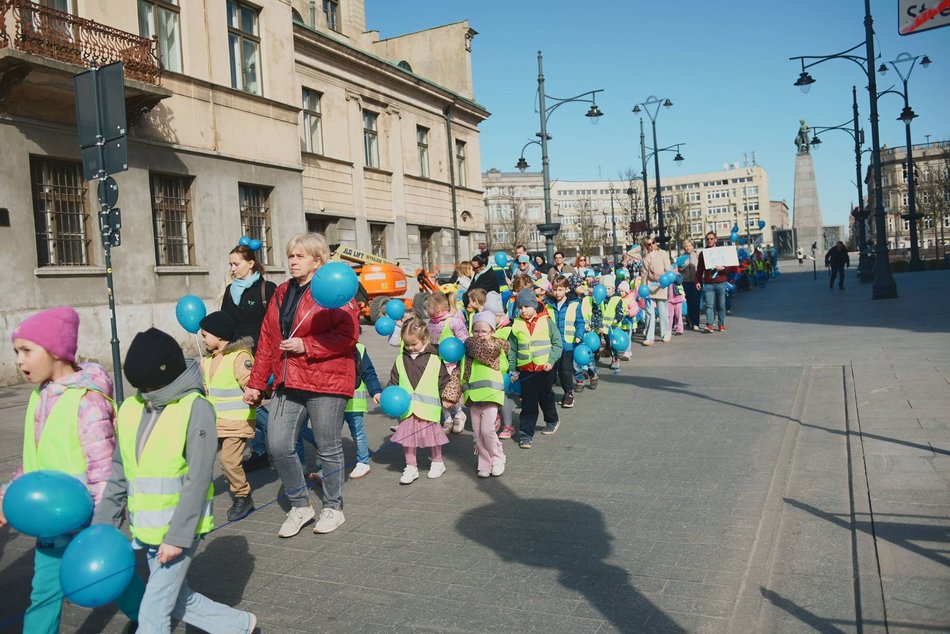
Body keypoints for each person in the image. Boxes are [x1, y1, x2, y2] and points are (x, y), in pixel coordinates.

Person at [95, 327, 255, 633]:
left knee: (153, 610)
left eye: (150, 385)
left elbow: (197, 478)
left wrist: (178, 537)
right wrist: (101, 527)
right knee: (178, 599)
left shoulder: (195, 408)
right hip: (147, 529)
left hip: (180, 530)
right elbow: (119, 471)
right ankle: (240, 625)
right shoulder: (130, 408)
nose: (146, 392)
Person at [3, 307, 145, 633]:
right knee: (44, 594)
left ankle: (151, 618)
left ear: (54, 351)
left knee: (115, 581)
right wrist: (8, 495)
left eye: (27, 351)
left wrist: (102, 523)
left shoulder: (86, 400)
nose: (19, 361)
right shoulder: (40, 396)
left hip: (86, 520)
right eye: (16, 352)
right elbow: (33, 462)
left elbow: (102, 467)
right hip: (50, 523)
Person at [244, 233, 359, 538]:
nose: (292, 261)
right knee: (278, 444)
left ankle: (333, 506)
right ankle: (300, 505)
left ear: (318, 260)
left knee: (327, 444)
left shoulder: (334, 288)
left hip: (326, 381)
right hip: (288, 380)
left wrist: (306, 345)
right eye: (291, 255)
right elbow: (268, 339)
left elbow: (348, 335)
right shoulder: (281, 292)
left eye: (300, 256)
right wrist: (256, 383)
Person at [222, 244, 278, 472]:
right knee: (248, 402)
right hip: (235, 355)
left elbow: (276, 324)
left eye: (236, 264)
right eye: (231, 265)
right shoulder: (230, 291)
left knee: (252, 402)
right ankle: (261, 450)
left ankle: (279, 437)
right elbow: (224, 322)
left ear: (250, 263)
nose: (233, 269)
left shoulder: (267, 289)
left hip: (260, 356)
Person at [199, 311, 256, 522]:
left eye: (205, 335)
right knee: (222, 460)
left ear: (220, 336)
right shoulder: (209, 359)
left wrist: (253, 392)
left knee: (229, 460)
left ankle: (243, 496)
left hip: (238, 421)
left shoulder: (239, 357)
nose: (203, 339)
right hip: (218, 421)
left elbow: (250, 381)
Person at [389, 316, 452, 484]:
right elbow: (394, 380)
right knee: (407, 438)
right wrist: (386, 394)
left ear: (424, 339)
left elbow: (444, 379)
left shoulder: (435, 358)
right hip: (407, 408)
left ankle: (438, 462)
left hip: (429, 409)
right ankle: (411, 466)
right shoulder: (400, 359)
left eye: (413, 344)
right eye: (406, 344)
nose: (409, 347)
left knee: (434, 437)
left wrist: (447, 397)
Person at [508, 288, 562, 448]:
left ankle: (552, 420)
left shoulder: (546, 321)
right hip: (526, 371)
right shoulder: (516, 325)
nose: (523, 310)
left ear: (534, 305)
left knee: (546, 398)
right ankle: (526, 434)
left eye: (525, 306)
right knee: (528, 403)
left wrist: (551, 361)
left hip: (545, 369)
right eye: (520, 307)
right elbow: (513, 349)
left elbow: (557, 344)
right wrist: (513, 369)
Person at [457, 311, 508, 477]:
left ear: (492, 331)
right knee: (478, 434)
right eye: (476, 331)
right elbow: (462, 370)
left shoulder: (496, 347)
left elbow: (502, 366)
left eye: (484, 331)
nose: (479, 335)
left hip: (491, 395)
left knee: (488, 431)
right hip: (473, 396)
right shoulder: (467, 348)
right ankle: (485, 463)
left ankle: (498, 457)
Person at [425, 292, 469, 433]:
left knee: (451, 391)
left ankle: (459, 414)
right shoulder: (431, 322)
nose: (426, 309)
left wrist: (459, 352)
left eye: (429, 307)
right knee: (440, 391)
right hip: (437, 362)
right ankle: (447, 418)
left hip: (451, 363)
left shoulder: (453, 321)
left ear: (437, 307)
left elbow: (464, 338)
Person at [545, 275, 585, 408]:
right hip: (552, 345)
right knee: (550, 370)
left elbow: (580, 322)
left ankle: (568, 393)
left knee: (565, 370)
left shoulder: (574, 305)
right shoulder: (548, 305)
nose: (557, 293)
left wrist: (579, 335)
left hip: (568, 344)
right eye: (555, 290)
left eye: (560, 289)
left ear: (567, 290)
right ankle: (546, 393)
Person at [345, 340, 383, 479]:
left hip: (354, 403)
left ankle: (363, 462)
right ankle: (327, 463)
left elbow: (369, 373)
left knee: (358, 433)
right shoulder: (329, 346)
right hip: (334, 403)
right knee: (331, 435)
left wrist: (376, 391)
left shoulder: (359, 348)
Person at [641, 238, 672, 346]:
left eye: (653, 242)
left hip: (661, 285)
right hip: (649, 287)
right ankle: (649, 337)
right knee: (649, 312)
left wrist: (661, 278)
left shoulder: (662, 253)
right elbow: (644, 274)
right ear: (645, 246)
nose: (651, 245)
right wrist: (643, 289)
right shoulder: (645, 258)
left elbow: (668, 270)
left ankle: (666, 333)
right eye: (648, 244)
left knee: (663, 310)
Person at [696, 231, 729, 333]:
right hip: (708, 283)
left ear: (715, 240)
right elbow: (700, 268)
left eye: (711, 239)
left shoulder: (721, 251)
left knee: (721, 305)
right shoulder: (703, 253)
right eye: (707, 239)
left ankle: (721, 323)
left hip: (720, 282)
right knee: (709, 305)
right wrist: (697, 281)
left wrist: (722, 268)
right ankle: (709, 325)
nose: (709, 241)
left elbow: (729, 266)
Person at [679, 240, 702, 331]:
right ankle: (689, 320)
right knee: (687, 303)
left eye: (689, 245)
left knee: (695, 303)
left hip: (696, 282)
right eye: (686, 246)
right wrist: (680, 267)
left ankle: (696, 323)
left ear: (692, 246)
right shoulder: (682, 257)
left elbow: (701, 267)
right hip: (685, 282)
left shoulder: (697, 255)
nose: (688, 247)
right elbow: (679, 270)